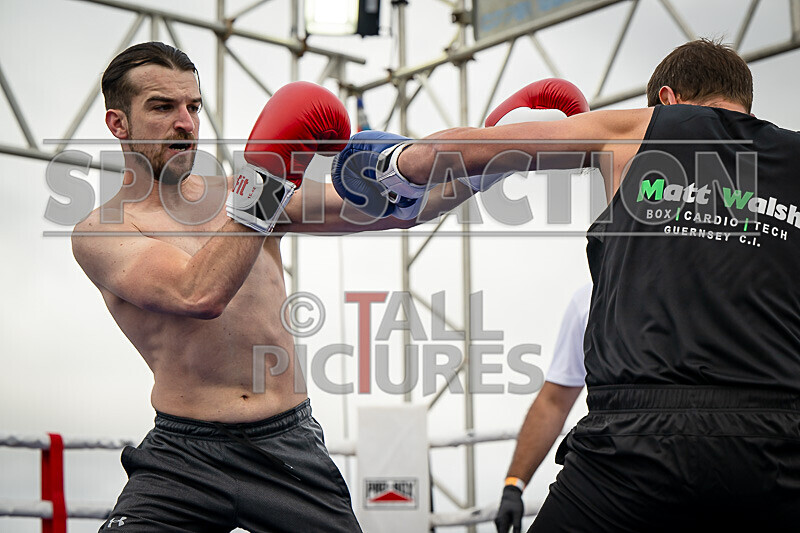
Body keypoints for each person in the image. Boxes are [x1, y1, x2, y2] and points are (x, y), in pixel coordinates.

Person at [333, 39, 800, 531]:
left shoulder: (640, 128)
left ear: (666, 98)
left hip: (637, 442)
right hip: (778, 444)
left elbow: (487, 149)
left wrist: (393, 167)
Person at [72, 41, 478, 532]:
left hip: (287, 446)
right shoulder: (104, 231)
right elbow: (196, 293)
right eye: (162, 107)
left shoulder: (241, 194)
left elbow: (397, 209)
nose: (186, 123)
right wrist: (267, 181)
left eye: (193, 107)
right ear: (118, 124)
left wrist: (488, 164)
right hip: (182, 457)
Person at [494, 282, 591, 533]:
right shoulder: (590, 297)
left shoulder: (702, 281)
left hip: (699, 459)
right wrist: (514, 485)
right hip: (613, 463)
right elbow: (554, 401)